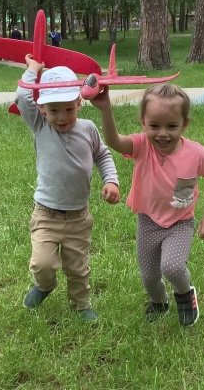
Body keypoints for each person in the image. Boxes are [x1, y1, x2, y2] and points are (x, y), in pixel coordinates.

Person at [91, 84, 204, 327]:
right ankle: (158, 301)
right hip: (148, 220)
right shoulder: (142, 146)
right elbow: (113, 140)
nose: (162, 134)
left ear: (185, 125)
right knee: (150, 276)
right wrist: (105, 109)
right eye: (154, 126)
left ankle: (185, 294)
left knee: (172, 267)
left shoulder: (197, 154)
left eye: (171, 126)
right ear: (143, 122)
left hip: (180, 222)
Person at [16, 55, 120, 322]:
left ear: (79, 103)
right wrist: (32, 71)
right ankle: (44, 285)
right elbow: (22, 96)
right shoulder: (40, 128)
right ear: (42, 110)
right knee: (43, 264)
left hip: (78, 217)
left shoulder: (88, 129)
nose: (62, 118)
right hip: (46, 215)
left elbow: (103, 156)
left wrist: (111, 180)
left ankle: (80, 304)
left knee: (77, 267)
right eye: (54, 111)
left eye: (68, 109)